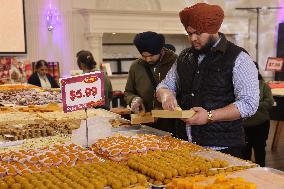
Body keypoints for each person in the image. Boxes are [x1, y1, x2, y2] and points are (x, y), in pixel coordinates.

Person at [156, 3, 259, 158]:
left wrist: (210, 116)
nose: (193, 38)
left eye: (198, 33)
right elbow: (165, 85)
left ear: (214, 30)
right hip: (185, 144)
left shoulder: (239, 58)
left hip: (224, 148)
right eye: (189, 33)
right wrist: (166, 95)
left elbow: (249, 104)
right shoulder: (184, 57)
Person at [124, 31, 178, 135]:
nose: (148, 59)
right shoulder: (136, 66)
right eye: (144, 56)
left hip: (171, 122)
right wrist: (134, 99)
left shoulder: (176, 63)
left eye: (152, 55)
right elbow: (128, 92)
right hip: (145, 122)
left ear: (161, 50)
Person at [243, 63, 274, 167]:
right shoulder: (239, 85)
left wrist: (252, 105)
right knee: (245, 152)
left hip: (261, 124)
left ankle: (262, 173)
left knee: (259, 149)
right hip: (244, 125)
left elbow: (270, 102)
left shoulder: (263, 85)